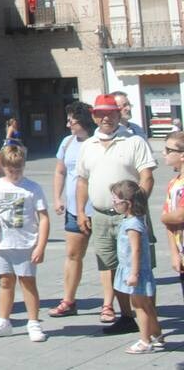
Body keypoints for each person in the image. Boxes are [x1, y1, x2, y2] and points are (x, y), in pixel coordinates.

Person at [75, 93, 156, 335]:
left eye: (111, 112)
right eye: (101, 113)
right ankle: (126, 316)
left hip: (129, 215)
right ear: (94, 116)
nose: (106, 117)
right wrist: (81, 211)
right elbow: (82, 181)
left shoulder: (134, 141)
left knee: (140, 266)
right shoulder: (87, 146)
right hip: (100, 215)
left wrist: (137, 206)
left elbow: (147, 177)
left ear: (119, 114)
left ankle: (150, 319)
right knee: (110, 266)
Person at [0, 145, 49, 342]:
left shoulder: (32, 188)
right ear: (3, 166)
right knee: (5, 282)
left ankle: (33, 322)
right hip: (2, 243)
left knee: (27, 282)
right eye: (11, 170)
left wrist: (40, 245)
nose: (15, 174)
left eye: (19, 169)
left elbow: (43, 218)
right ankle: (4, 320)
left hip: (26, 243)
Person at [50, 102, 95, 317]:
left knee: (107, 258)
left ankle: (109, 303)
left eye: (72, 121)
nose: (68, 125)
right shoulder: (67, 143)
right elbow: (60, 171)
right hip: (74, 210)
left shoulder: (97, 142)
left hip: (99, 208)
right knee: (72, 254)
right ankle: (68, 300)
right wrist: (57, 198)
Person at [111, 180, 162, 354]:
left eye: (116, 202)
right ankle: (157, 335)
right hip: (137, 270)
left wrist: (133, 273)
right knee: (147, 306)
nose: (114, 205)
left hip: (136, 271)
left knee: (139, 306)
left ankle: (145, 340)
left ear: (128, 203)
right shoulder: (135, 220)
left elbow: (136, 250)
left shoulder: (133, 224)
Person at [159, 130, 184, 302]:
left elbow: (179, 216)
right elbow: (169, 220)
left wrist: (165, 218)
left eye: (168, 150)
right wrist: (174, 253)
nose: (164, 153)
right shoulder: (173, 183)